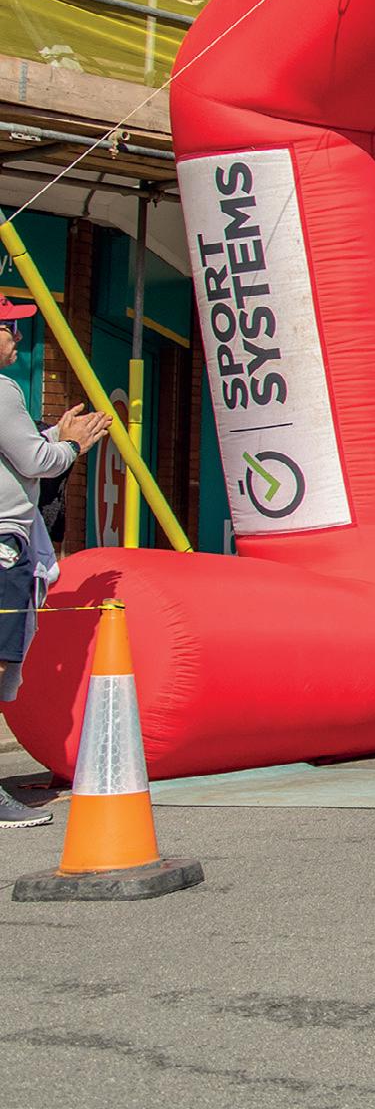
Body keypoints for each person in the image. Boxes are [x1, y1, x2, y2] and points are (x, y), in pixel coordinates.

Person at [0, 297, 112, 828]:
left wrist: (50, 436)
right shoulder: (3, 390)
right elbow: (36, 462)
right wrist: (70, 446)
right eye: (9, 327)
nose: (17, 337)